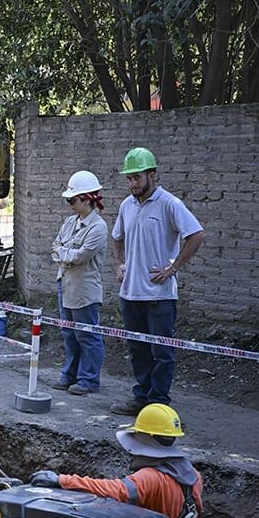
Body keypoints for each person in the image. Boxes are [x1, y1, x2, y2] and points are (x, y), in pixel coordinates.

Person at [29, 403, 205, 518]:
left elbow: (118, 490)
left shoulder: (151, 478)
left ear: (146, 437)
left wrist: (62, 480)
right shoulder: (191, 473)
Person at [111, 148, 205, 416]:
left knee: (162, 353)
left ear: (152, 174)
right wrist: (119, 263)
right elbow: (117, 237)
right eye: (129, 179)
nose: (132, 184)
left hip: (159, 297)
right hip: (130, 295)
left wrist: (173, 267)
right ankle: (142, 399)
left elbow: (196, 235)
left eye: (137, 178)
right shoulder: (126, 206)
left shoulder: (170, 204)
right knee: (138, 350)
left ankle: (159, 406)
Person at [51, 170, 108, 395]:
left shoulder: (98, 228)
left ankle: (89, 379)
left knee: (87, 334)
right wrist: (66, 252)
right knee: (69, 333)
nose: (69, 205)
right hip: (65, 283)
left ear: (87, 198)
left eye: (72, 200)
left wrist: (64, 252)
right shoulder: (69, 222)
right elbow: (55, 248)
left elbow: (80, 256)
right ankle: (70, 375)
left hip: (84, 289)